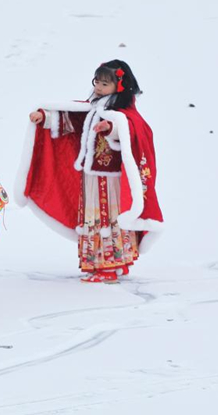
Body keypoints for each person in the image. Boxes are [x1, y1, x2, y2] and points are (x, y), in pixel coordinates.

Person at [15, 60, 164, 283]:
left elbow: (128, 130)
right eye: (97, 82)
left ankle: (108, 267)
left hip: (110, 180)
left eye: (105, 83)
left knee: (107, 218)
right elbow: (73, 121)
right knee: (98, 217)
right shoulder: (95, 108)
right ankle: (113, 263)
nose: (99, 87)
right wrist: (45, 118)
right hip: (92, 176)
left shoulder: (122, 114)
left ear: (120, 87)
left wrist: (111, 128)